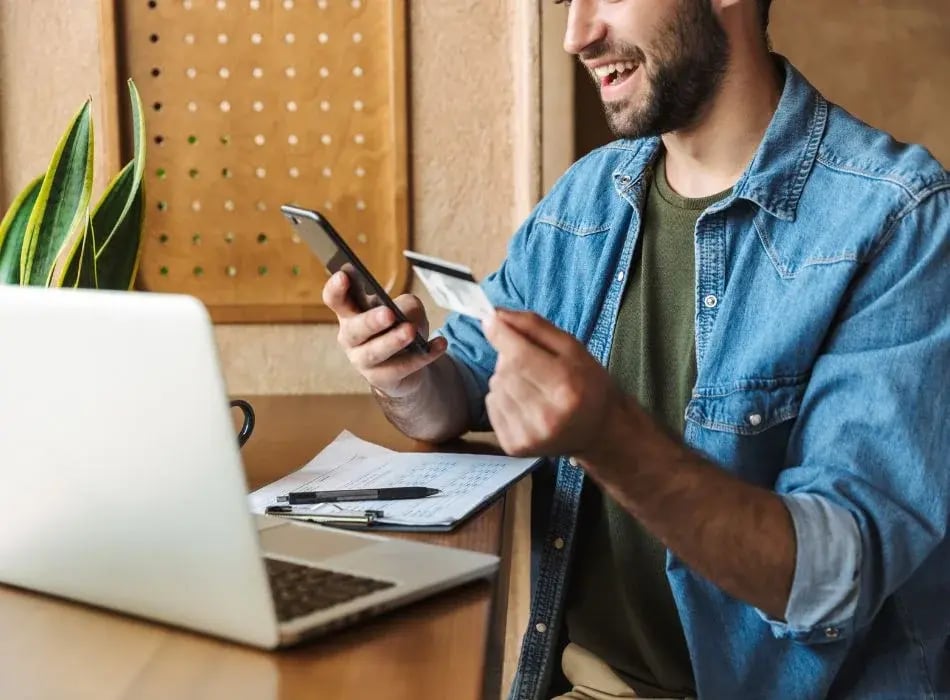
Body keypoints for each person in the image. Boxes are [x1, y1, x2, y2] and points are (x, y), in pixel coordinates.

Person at [323, 0, 950, 697]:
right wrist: (407, 375)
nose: (577, 35)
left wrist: (610, 436)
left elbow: (838, 578)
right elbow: (464, 386)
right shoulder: (590, 195)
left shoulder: (901, 221)